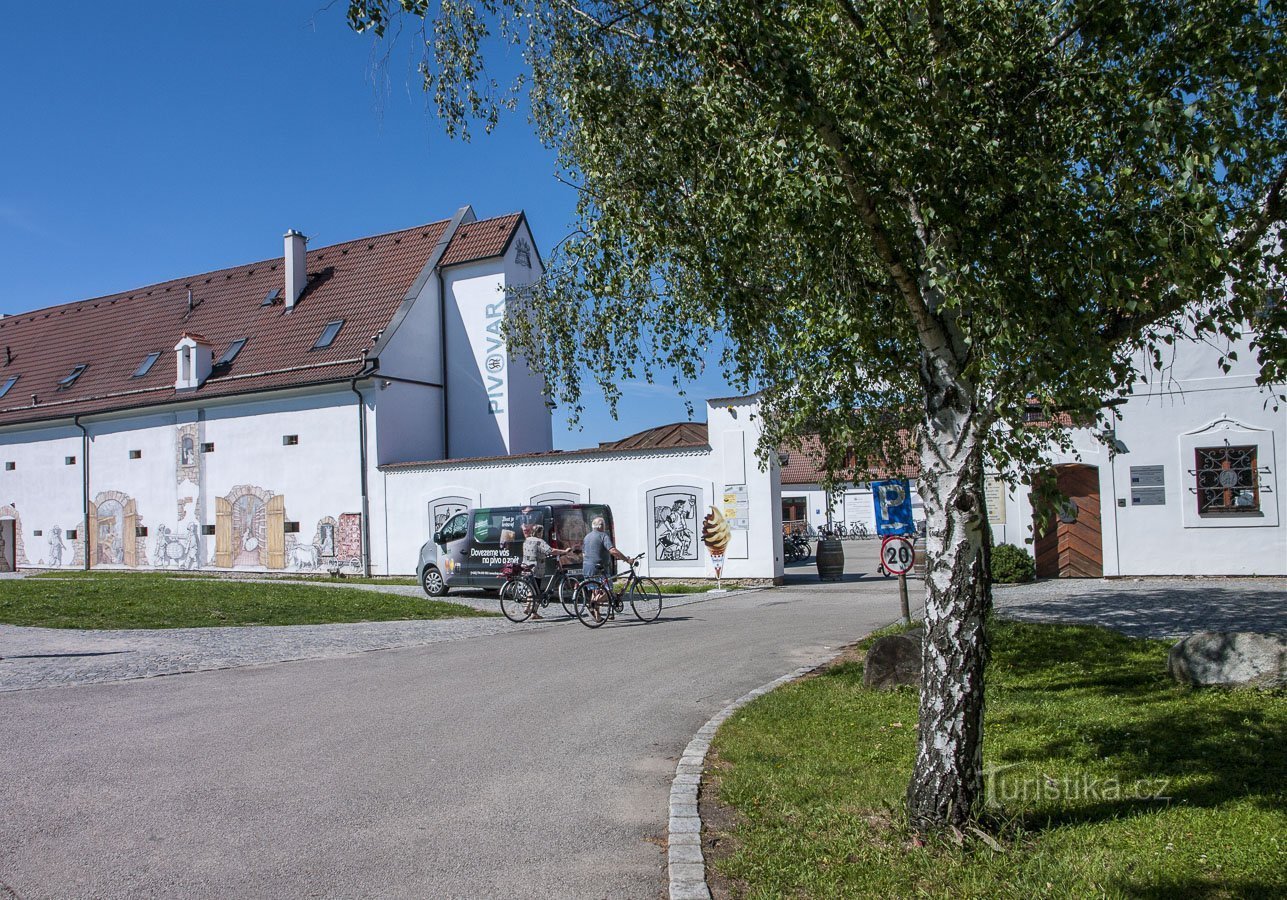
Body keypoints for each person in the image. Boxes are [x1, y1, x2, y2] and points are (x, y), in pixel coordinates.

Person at [581, 516, 631, 622]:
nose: (605, 527)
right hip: (599, 568)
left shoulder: (587, 537)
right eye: (604, 524)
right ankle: (592, 605)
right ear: (600, 526)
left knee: (595, 592)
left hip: (587, 568)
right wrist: (626, 559)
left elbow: (584, 553)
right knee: (609, 592)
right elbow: (612, 550)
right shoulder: (603, 535)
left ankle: (597, 616)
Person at [521, 524, 568, 620]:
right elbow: (551, 550)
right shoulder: (539, 541)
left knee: (532, 589)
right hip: (537, 569)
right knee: (537, 591)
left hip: (526, 567)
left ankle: (527, 608)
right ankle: (533, 612)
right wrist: (564, 551)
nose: (542, 534)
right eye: (541, 532)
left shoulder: (527, 540)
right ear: (539, 532)